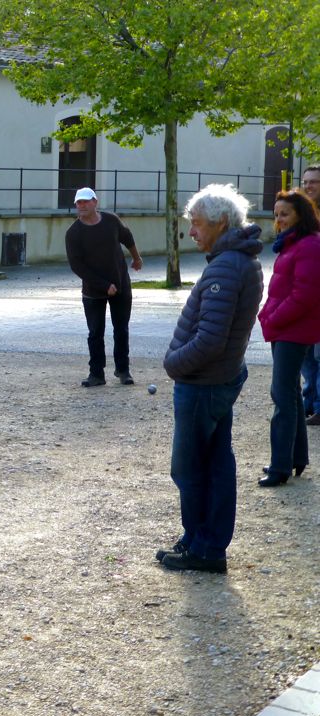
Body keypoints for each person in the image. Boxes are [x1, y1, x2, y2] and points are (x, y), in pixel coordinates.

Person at [157, 184, 263, 573]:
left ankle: (204, 548)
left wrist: (173, 363)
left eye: (197, 224)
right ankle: (200, 540)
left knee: (191, 467)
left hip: (203, 382)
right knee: (214, 462)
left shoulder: (226, 266)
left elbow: (211, 339)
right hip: (217, 379)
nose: (192, 232)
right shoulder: (238, 260)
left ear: (220, 223)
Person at [257, 189, 320, 486]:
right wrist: (268, 316)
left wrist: (272, 318)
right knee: (291, 394)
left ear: (301, 215)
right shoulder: (292, 244)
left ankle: (280, 466)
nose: (279, 220)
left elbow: (304, 295)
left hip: (294, 329)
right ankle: (296, 458)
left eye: (285, 214)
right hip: (286, 328)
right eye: (276, 214)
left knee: (281, 395)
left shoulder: (308, 245)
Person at [65, 187, 143, 387]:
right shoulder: (73, 233)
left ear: (95, 202)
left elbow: (128, 237)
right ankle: (96, 373)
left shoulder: (111, 221)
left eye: (85, 201)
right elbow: (77, 266)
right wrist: (103, 285)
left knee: (121, 329)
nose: (82, 206)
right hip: (93, 290)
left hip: (120, 284)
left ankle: (123, 370)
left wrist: (136, 258)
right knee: (95, 332)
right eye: (78, 203)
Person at [298, 165, 320, 425]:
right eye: (306, 181)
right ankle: (309, 401)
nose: (309, 186)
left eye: (314, 182)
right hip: (304, 291)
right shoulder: (300, 215)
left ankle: (317, 405)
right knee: (305, 353)